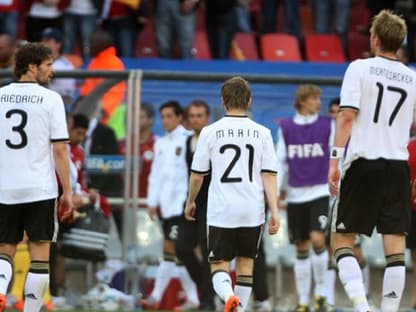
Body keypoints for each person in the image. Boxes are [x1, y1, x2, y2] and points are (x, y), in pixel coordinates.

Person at [328, 10, 416, 312]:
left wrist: (334, 162)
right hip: (397, 166)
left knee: (341, 240)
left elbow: (347, 116)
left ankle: (362, 308)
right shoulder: (412, 77)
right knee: (395, 248)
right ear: (400, 42)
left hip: (364, 163)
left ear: (375, 38)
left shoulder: (360, 68)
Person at [185, 76, 280, 312]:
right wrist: (275, 211)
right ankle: (238, 307)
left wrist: (190, 201)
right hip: (252, 209)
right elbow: (269, 175)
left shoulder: (209, 132)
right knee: (246, 265)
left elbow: (198, 175)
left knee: (219, 265)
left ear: (222, 100)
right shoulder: (263, 133)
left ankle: (228, 296)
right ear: (249, 100)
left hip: (221, 209)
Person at [0, 42, 73, 312]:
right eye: (48, 65)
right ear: (32, 67)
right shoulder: (51, 99)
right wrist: (68, 190)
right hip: (40, 189)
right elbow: (61, 150)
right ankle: (31, 309)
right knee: (40, 253)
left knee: (5, 248)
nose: (52, 71)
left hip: (5, 187)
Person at [276, 84, 332, 312]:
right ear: (301, 101)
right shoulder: (286, 127)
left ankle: (320, 293)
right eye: (313, 98)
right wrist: (275, 193)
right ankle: (303, 300)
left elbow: (337, 155)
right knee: (301, 246)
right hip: (296, 194)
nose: (318, 102)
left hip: (320, 190)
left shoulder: (328, 124)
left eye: (319, 98)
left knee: (318, 239)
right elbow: (280, 161)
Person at [140, 100, 200, 310]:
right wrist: (152, 201)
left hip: (183, 204)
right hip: (166, 206)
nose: (165, 120)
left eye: (169, 116)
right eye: (163, 116)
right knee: (177, 254)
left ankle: (156, 296)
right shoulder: (160, 143)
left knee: (170, 248)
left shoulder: (188, 140)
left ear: (179, 117)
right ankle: (194, 298)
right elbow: (155, 175)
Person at [175, 99, 215, 310]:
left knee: (209, 251)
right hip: (192, 200)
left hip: (212, 202)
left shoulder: (215, 141)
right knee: (182, 247)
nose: (196, 120)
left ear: (207, 117)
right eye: (192, 116)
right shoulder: (187, 142)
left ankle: (208, 301)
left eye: (200, 115)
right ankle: (208, 287)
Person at [79, 31, 126, 124]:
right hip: (90, 110)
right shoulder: (94, 62)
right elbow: (88, 87)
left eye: (91, 43)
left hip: (105, 117)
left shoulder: (114, 63)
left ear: (101, 44)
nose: (88, 46)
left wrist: (104, 110)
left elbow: (115, 91)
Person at [41, 27, 76, 108]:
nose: (43, 44)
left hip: (59, 105)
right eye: (42, 40)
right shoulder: (41, 62)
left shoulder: (64, 65)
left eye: (47, 41)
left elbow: (66, 98)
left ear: (58, 44)